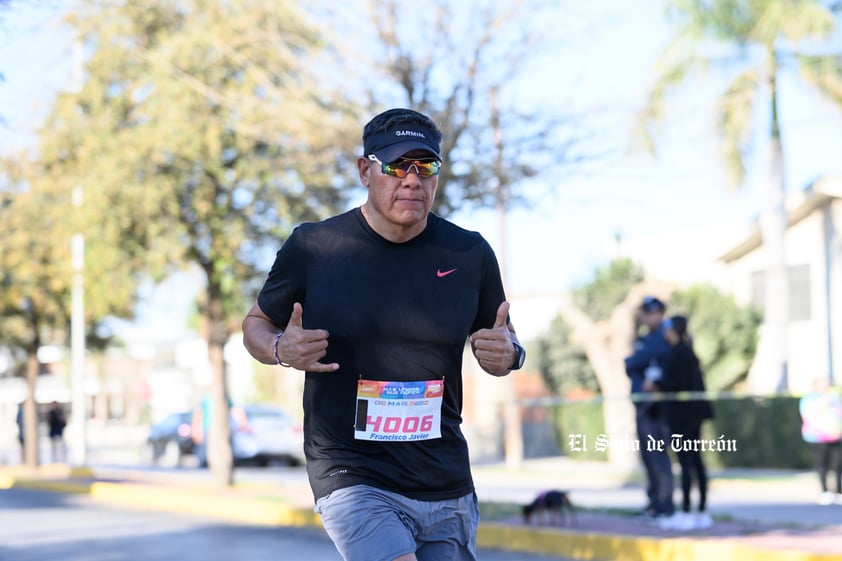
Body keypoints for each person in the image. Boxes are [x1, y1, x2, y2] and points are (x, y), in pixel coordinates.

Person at [241, 107, 525, 561]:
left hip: (443, 476)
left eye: (425, 166)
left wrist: (509, 357)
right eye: (396, 166)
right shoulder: (314, 247)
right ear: (364, 171)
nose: (411, 179)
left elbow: (503, 340)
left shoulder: (469, 252)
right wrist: (279, 348)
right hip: (352, 472)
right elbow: (256, 323)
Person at [644, 315, 714, 530]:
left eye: (666, 328)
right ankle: (698, 510)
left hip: (685, 417)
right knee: (693, 462)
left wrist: (656, 383)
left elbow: (676, 384)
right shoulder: (685, 352)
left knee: (688, 462)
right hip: (689, 415)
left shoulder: (681, 353)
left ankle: (688, 511)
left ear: (673, 330)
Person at [624, 295, 674, 519]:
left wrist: (637, 359)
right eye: (645, 312)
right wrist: (637, 360)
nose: (647, 317)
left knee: (658, 455)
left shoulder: (666, 335)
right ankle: (654, 500)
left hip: (658, 407)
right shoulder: (645, 338)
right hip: (641, 404)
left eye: (651, 312)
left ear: (660, 313)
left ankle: (665, 503)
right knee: (647, 456)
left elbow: (651, 357)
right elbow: (631, 365)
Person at [798, 376, 842, 505]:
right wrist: (823, 402)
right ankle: (825, 492)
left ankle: (839, 492)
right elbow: (807, 414)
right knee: (822, 465)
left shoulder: (834, 397)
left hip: (836, 436)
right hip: (817, 437)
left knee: (838, 464)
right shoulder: (809, 398)